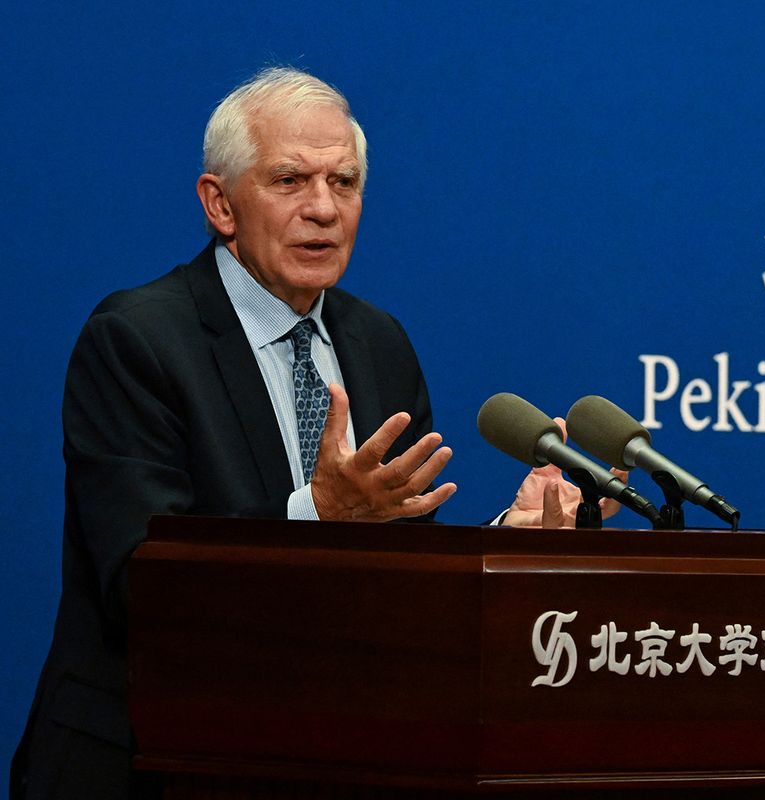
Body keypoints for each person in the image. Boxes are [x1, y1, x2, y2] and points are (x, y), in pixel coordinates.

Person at [9, 66, 600, 800]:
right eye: (290, 181)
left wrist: (511, 535)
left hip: (324, 756)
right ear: (220, 204)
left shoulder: (378, 342)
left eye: (344, 183)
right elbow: (144, 584)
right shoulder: (138, 341)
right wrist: (319, 515)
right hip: (154, 764)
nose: (324, 209)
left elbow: (403, 583)